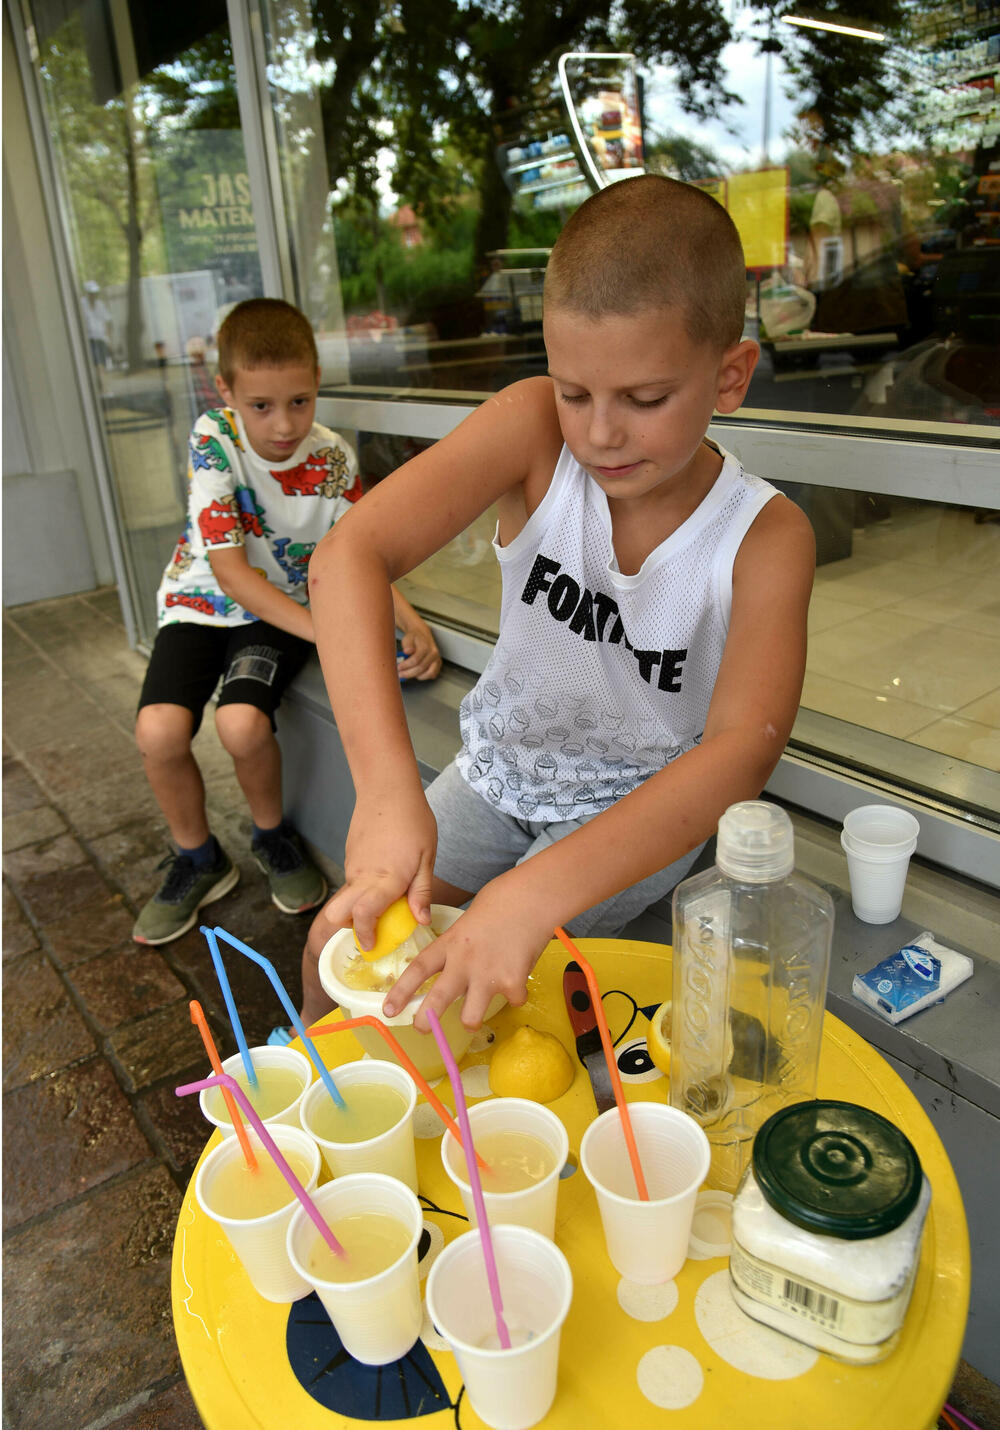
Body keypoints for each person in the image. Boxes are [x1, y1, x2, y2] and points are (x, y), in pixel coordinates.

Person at [298, 174, 815, 1033]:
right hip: (499, 770)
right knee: (336, 942)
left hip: (635, 809)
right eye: (574, 391)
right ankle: (305, 1087)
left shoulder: (766, 537)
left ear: (730, 376)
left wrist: (529, 895)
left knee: (476, 1003)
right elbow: (347, 556)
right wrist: (387, 796)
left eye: (645, 399)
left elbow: (740, 754)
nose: (600, 433)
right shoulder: (535, 429)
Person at [133, 297, 441, 946]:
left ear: (317, 383)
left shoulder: (333, 459)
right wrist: (332, 634)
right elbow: (231, 573)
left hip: (278, 611)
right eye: (262, 406)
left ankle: (272, 837)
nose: (283, 424)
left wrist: (410, 620)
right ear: (226, 392)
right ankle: (197, 858)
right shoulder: (213, 439)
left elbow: (359, 554)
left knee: (241, 724)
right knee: (158, 731)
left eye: (299, 402)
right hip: (201, 602)